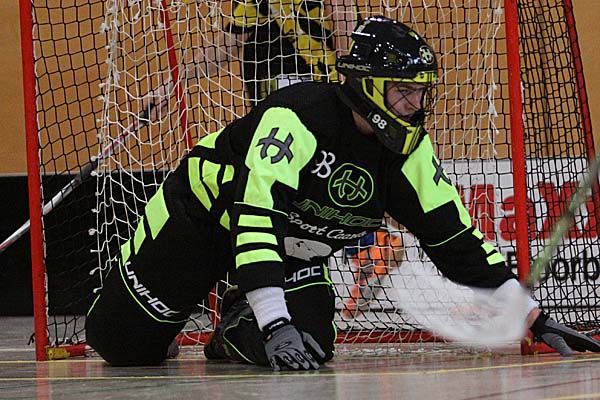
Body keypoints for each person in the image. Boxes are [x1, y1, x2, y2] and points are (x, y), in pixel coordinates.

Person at [85, 16, 600, 370]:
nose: (414, 105)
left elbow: (457, 242)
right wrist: (276, 321)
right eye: (403, 91)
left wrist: (533, 317)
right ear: (367, 85)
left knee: (311, 346)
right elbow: (256, 218)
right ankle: (215, 307)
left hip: (290, 252)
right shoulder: (296, 117)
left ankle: (236, 324)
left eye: (421, 92)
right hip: (205, 221)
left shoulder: (410, 151)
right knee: (124, 348)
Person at [145, 0, 355, 121]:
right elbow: (226, 45)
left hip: (341, 92)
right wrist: (170, 87)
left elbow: (344, 23)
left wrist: (347, 88)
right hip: (312, 93)